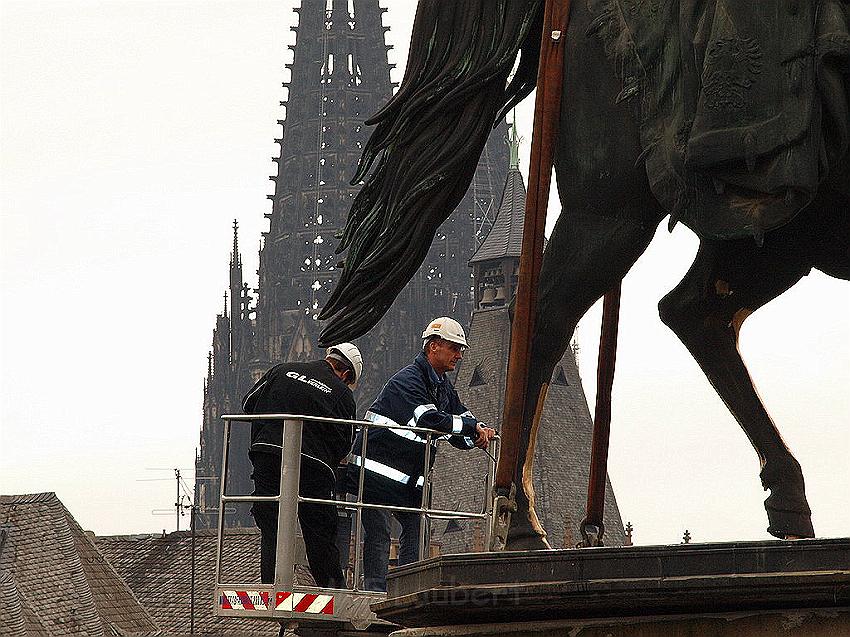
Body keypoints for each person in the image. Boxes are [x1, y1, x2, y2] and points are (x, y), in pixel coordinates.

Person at [347, 317, 496, 591]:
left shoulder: (441, 385)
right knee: (379, 534)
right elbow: (427, 420)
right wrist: (470, 427)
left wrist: (478, 432)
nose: (459, 355)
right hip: (376, 473)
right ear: (434, 347)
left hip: (407, 479)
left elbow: (459, 416)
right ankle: (376, 591)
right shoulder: (408, 381)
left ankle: (406, 587)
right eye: (454, 348)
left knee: (417, 530)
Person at [243, 343, 362, 589]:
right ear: (346, 374)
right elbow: (344, 444)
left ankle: (271, 587)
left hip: (268, 455)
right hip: (313, 466)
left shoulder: (282, 370)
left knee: (271, 525)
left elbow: (248, 404)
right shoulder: (341, 393)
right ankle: (332, 591)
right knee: (320, 531)